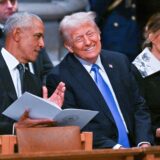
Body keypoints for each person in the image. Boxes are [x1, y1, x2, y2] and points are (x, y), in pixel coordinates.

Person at [46, 11, 154, 149]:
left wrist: (143, 141)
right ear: (68, 46)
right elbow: (75, 125)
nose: (88, 42)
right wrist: (116, 149)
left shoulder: (120, 61)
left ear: (99, 34)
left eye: (90, 34)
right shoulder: (59, 77)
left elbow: (139, 105)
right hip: (100, 152)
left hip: (137, 147)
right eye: (79, 39)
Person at [0, 11, 65, 134]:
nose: (42, 44)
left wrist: (47, 111)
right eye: (37, 36)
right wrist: (14, 129)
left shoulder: (35, 82)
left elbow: (31, 125)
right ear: (17, 34)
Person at [0, 0, 54, 84]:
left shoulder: (32, 28)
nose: (10, 6)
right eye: (2, 2)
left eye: (13, 1)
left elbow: (48, 72)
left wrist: (41, 92)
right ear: (16, 34)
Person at [132, 13, 160, 145]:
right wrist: (156, 130)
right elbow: (137, 113)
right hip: (152, 141)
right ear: (151, 36)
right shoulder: (137, 70)